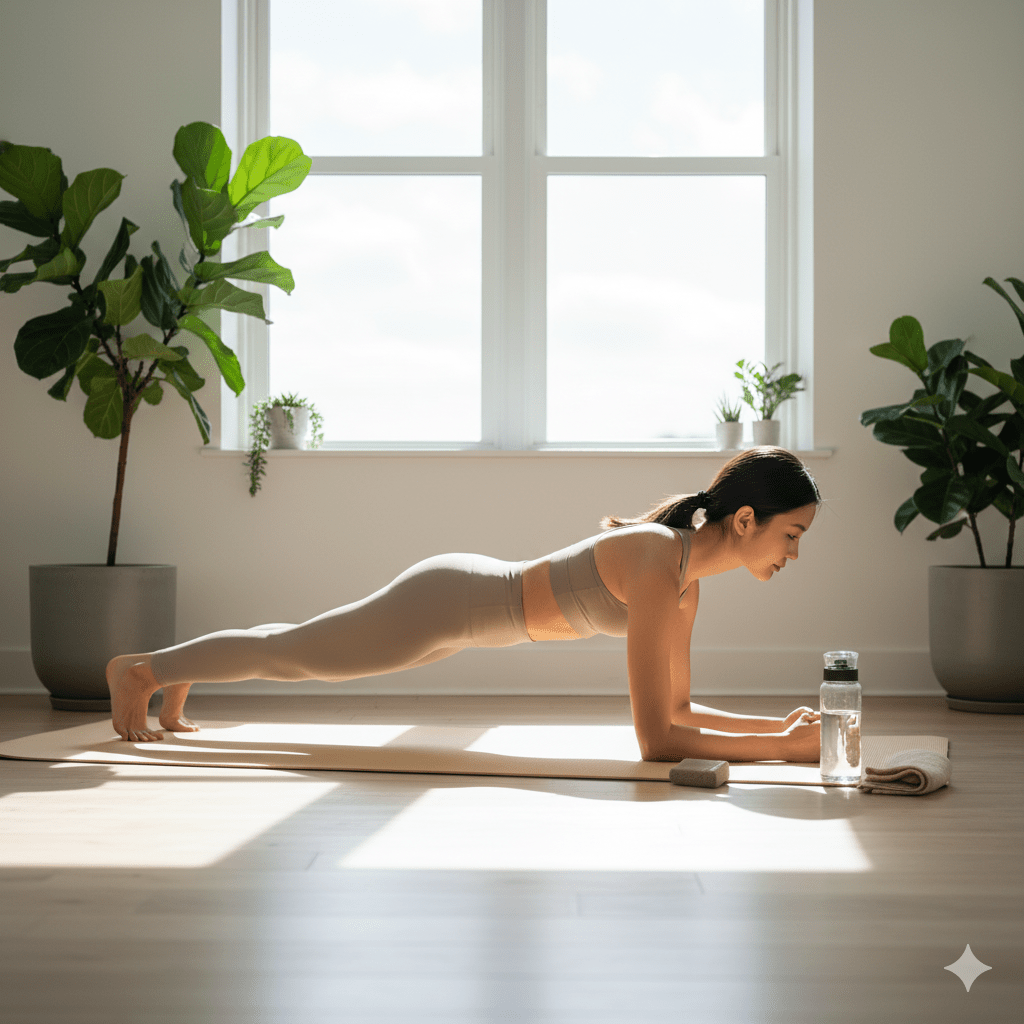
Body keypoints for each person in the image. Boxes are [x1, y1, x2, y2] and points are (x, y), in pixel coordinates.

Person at [106, 446, 822, 763]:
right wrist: (784, 751)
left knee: (298, 647)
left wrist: (778, 727)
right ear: (746, 520)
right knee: (300, 658)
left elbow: (682, 713)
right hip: (451, 601)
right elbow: (655, 743)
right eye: (792, 535)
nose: (794, 555)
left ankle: (173, 670)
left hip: (468, 613)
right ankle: (142, 671)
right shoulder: (653, 560)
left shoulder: (683, 587)